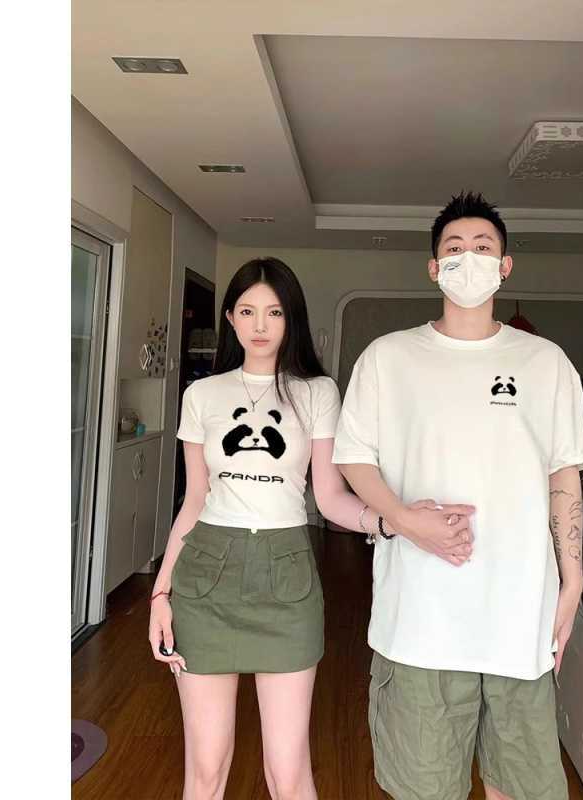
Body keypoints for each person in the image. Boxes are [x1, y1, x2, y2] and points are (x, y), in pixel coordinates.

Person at [146, 257, 471, 800]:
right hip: (205, 580)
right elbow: (195, 499)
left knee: (289, 773)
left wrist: (396, 521)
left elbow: (330, 497)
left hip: (287, 581)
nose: (259, 325)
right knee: (204, 770)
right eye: (247, 311)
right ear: (229, 318)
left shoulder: (317, 392)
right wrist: (161, 593)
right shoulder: (202, 396)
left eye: (274, 312)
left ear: (291, 318)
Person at [333, 191, 583, 800]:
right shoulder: (389, 358)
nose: (468, 258)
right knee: (424, 789)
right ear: (434, 268)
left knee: (522, 787)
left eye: (482, 247)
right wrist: (402, 519)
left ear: (505, 266)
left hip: (518, 614)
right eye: (454, 249)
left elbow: (563, 475)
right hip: (420, 620)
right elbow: (353, 457)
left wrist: (572, 577)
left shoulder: (546, 362)